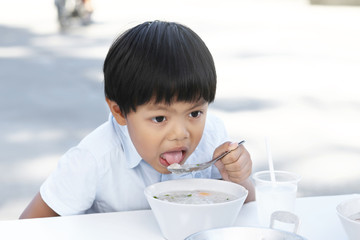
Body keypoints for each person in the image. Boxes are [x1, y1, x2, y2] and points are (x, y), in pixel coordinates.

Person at [20, 20, 255, 219]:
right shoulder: (93, 160)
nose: (181, 133)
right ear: (120, 112)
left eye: (194, 113)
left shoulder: (212, 138)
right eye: (160, 118)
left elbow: (249, 213)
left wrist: (239, 179)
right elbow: (28, 227)